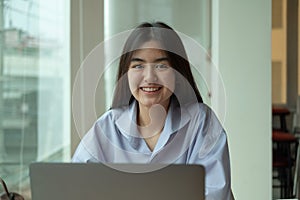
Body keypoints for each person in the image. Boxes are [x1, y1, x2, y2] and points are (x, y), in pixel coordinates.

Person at [72, 22, 232, 199]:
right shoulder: (107, 126)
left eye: (161, 66)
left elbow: (214, 193)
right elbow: (77, 185)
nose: (149, 77)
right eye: (138, 66)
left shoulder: (201, 122)